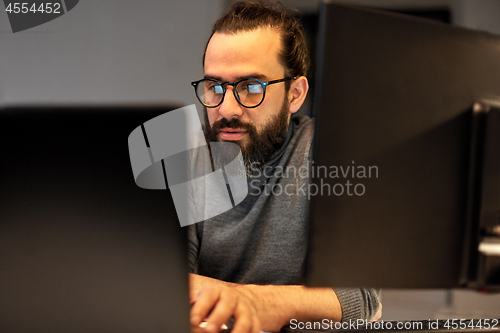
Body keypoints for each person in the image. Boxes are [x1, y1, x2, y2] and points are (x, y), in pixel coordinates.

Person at [187, 2, 381, 332]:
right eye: (214, 86)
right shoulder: (184, 160)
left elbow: (360, 300)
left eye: (250, 87)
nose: (226, 108)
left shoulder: (331, 157)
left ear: (295, 94)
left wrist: (256, 303)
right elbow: (162, 282)